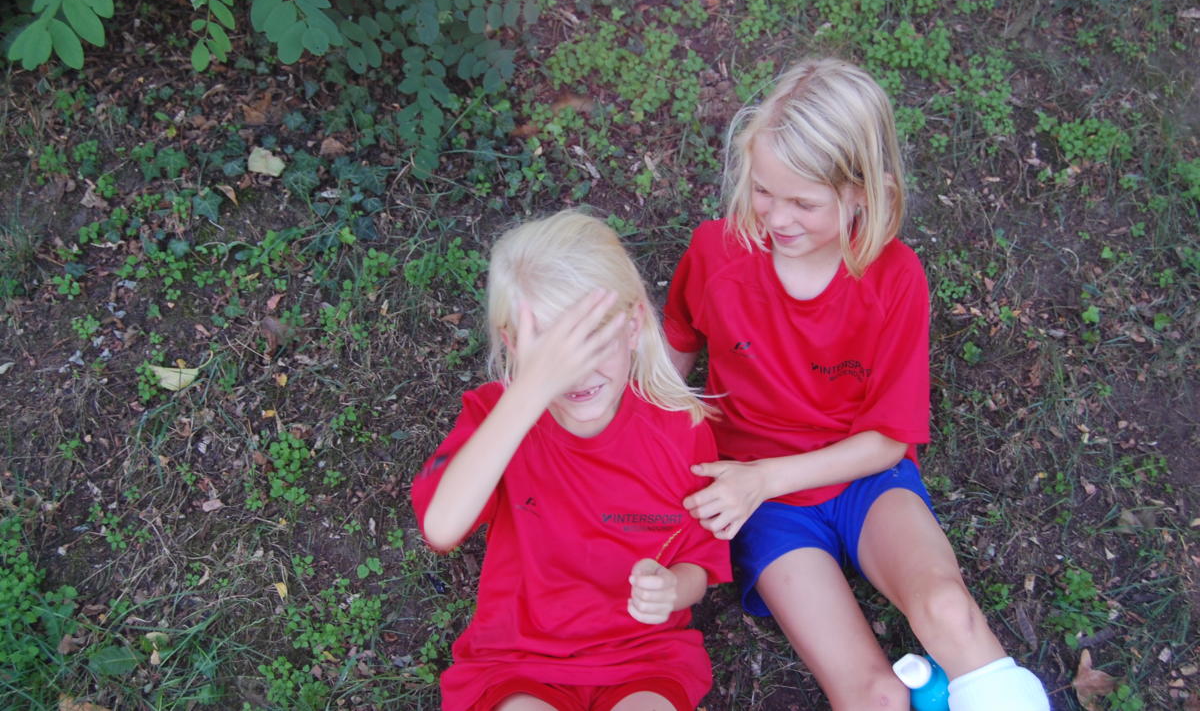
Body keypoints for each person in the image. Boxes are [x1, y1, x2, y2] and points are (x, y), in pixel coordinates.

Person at [662, 59, 1051, 711]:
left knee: (947, 608)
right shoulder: (717, 254)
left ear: (862, 194)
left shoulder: (894, 279)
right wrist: (652, 439)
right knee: (874, 695)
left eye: (804, 203)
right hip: (767, 508)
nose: (776, 218)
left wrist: (763, 478)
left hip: (864, 478)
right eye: (763, 190)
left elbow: (888, 441)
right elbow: (677, 343)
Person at [412, 210, 731, 711]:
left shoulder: (680, 429)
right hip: (517, 662)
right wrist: (532, 389)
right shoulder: (495, 421)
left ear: (632, 326)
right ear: (514, 345)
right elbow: (441, 528)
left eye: (593, 341)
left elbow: (699, 559)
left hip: (643, 659)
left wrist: (673, 589)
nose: (577, 375)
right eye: (552, 352)